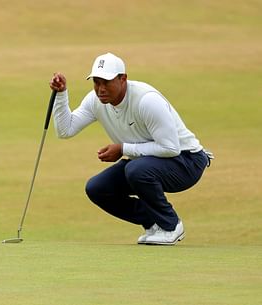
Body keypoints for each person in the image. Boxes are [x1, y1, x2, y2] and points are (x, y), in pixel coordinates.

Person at [49, 52, 212, 245]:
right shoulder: (95, 101)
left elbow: (170, 148)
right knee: (97, 188)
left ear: (123, 79)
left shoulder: (146, 100)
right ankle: (153, 224)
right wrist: (61, 95)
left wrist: (123, 148)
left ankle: (170, 226)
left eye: (106, 82)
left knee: (136, 169)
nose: (100, 89)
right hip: (147, 161)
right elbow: (65, 130)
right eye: (96, 82)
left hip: (187, 162)